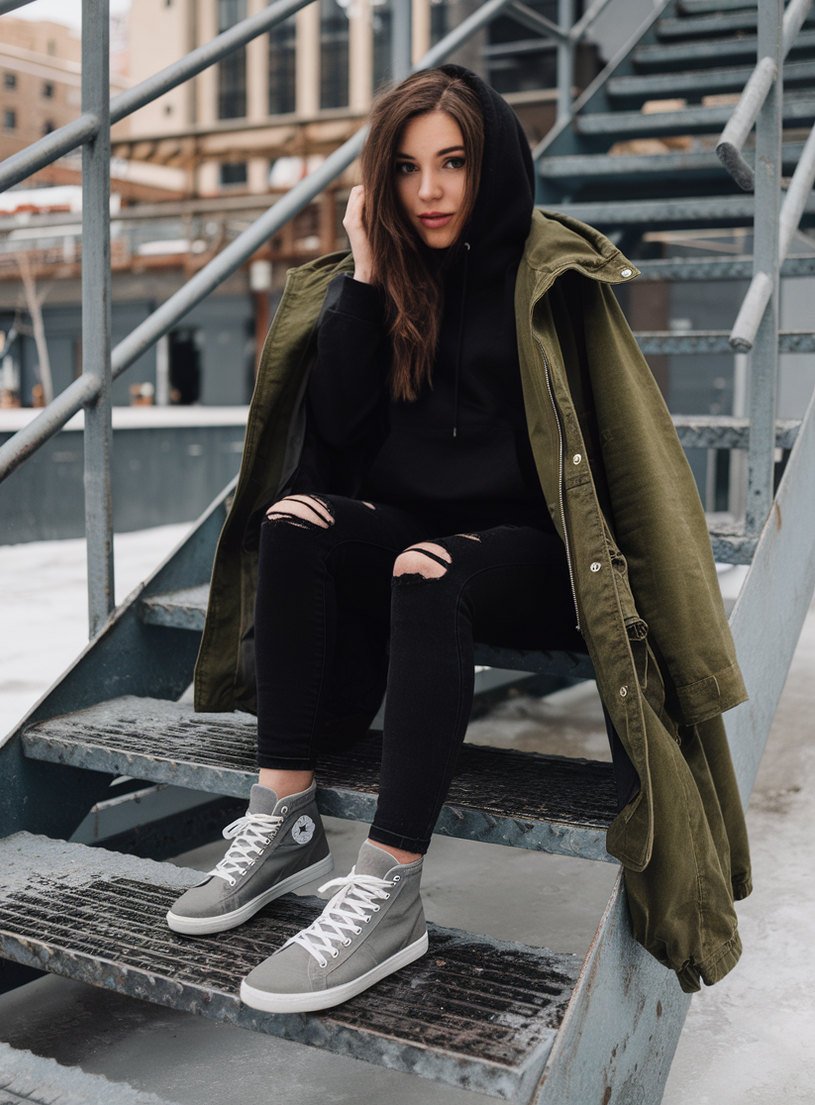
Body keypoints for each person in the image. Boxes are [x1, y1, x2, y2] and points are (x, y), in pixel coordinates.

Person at [168, 66, 752, 1010]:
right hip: (411, 532)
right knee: (295, 521)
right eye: (405, 168)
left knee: (427, 569)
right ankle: (283, 817)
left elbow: (636, 468)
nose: (429, 191)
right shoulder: (381, 278)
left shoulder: (551, 273)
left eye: (453, 163)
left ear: (494, 167)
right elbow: (339, 440)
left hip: (531, 550)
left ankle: (390, 887)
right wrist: (363, 270)